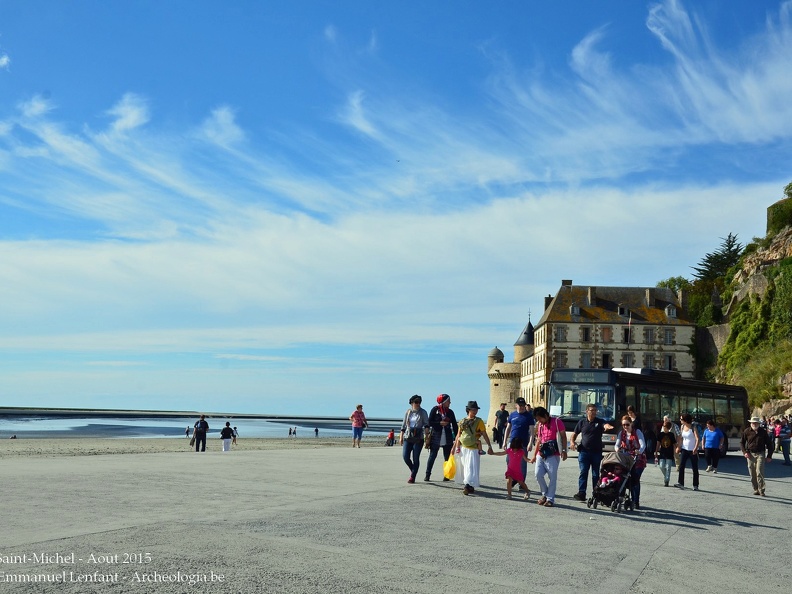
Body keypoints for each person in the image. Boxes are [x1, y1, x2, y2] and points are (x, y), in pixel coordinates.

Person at [570, 403, 613, 501]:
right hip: (584, 452)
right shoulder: (582, 422)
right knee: (583, 472)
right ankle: (581, 493)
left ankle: (596, 494)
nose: (594, 412)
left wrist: (607, 426)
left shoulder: (599, 421)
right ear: (587, 411)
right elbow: (574, 434)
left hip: (596, 453)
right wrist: (572, 442)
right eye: (592, 410)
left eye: (595, 410)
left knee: (595, 475)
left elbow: (605, 424)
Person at [451, 400, 494, 495]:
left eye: (476, 409)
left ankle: (467, 485)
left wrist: (489, 445)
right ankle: (468, 485)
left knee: (470, 467)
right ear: (468, 410)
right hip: (464, 448)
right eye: (473, 409)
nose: (475, 411)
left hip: (473, 448)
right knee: (467, 467)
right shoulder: (463, 421)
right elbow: (458, 435)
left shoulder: (477, 421)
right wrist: (454, 447)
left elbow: (484, 434)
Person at [529, 406, 567, 508]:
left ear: (545, 415)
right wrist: (534, 455)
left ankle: (550, 499)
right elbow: (538, 440)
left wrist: (564, 450)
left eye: (540, 418)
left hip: (553, 455)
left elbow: (563, 437)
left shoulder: (557, 422)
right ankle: (544, 494)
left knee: (552, 477)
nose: (539, 421)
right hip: (541, 454)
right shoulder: (540, 425)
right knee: (538, 474)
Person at [501, 397, 535, 490]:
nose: (522, 407)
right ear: (516, 405)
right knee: (509, 460)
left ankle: (521, 482)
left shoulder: (528, 416)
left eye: (523, 405)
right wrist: (504, 441)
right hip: (512, 442)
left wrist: (530, 443)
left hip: (523, 442)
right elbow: (508, 428)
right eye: (520, 405)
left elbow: (532, 431)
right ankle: (512, 478)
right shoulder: (512, 415)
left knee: (523, 463)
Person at [424, 394, 458, 482]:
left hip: (448, 436)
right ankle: (427, 475)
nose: (450, 403)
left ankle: (446, 476)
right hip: (436, 436)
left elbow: (454, 424)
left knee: (447, 457)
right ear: (443, 402)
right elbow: (430, 422)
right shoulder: (435, 410)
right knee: (432, 455)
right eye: (448, 401)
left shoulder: (450, 412)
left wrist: (458, 436)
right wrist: (439, 423)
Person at [615, 415, 647, 508]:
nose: (625, 427)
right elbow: (617, 444)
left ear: (631, 424)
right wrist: (617, 449)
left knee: (635, 479)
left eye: (627, 424)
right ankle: (622, 496)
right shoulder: (621, 433)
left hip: (638, 459)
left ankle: (635, 500)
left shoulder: (637, 432)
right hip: (626, 458)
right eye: (623, 425)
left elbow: (643, 444)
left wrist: (639, 451)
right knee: (623, 477)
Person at [399, 395, 430, 484]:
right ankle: (413, 469)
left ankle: (413, 476)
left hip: (418, 437)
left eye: (419, 402)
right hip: (408, 437)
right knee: (405, 457)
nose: (418, 404)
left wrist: (427, 436)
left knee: (416, 457)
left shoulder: (423, 412)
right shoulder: (408, 412)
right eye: (416, 402)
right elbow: (403, 425)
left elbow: (426, 424)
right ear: (412, 403)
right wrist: (401, 436)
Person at [740, 416, 773, 496]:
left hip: (760, 453)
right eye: (752, 423)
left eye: (755, 423)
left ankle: (761, 489)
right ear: (750, 423)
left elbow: (769, 444)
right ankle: (755, 489)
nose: (754, 424)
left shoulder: (763, 432)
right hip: (750, 454)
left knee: (759, 471)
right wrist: (744, 452)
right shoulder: (747, 431)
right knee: (752, 472)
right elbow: (742, 442)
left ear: (759, 423)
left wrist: (769, 456)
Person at [674, 413, 700, 491]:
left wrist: (695, 448)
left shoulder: (693, 427)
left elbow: (697, 439)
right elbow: (681, 438)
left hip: (692, 450)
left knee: (694, 467)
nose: (680, 420)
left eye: (681, 419)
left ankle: (695, 485)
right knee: (681, 465)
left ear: (686, 420)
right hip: (684, 449)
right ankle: (681, 483)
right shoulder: (682, 427)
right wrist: (679, 447)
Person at [654, 421, 676, 487]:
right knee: (661, 466)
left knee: (668, 467)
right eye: (663, 426)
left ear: (668, 428)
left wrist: (676, 450)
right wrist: (656, 451)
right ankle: (666, 476)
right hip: (662, 453)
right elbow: (658, 444)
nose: (664, 428)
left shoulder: (671, 435)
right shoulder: (660, 434)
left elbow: (674, 443)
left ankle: (667, 480)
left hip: (669, 453)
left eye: (665, 427)